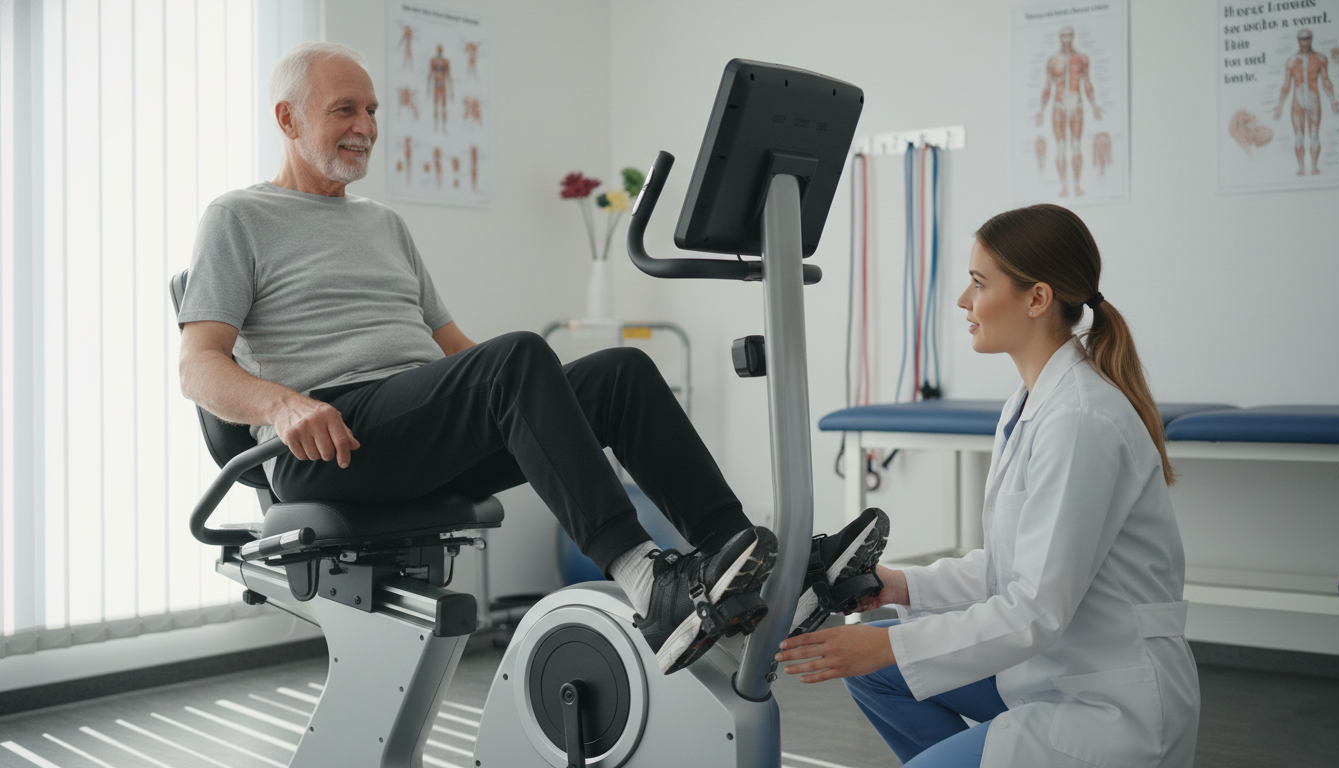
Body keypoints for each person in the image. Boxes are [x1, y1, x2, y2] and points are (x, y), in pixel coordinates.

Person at [176, 42, 888, 676]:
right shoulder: (240, 218)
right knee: (518, 358)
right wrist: (281, 404)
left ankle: (755, 571)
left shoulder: (382, 223)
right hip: (328, 441)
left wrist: (545, 391)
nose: (365, 126)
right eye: (343, 110)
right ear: (289, 119)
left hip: (412, 425)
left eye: (371, 109)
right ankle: (646, 578)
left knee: (618, 374)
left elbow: (457, 354)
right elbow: (197, 366)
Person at [776, 204, 1200, 767]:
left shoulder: (1080, 421)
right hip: (1057, 666)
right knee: (876, 675)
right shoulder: (1028, 404)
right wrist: (899, 584)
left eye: (978, 283)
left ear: (1037, 298)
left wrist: (888, 643)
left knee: (881, 654)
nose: (962, 301)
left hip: (1105, 699)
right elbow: (1010, 565)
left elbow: (1035, 610)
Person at [1034, 26, 1104, 197]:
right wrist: (1041, 111)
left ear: (1073, 37)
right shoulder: (1052, 61)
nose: (1066, 38)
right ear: (1059, 37)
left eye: (1069, 35)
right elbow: (1047, 87)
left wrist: (1094, 105)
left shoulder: (1081, 58)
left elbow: (1087, 83)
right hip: (1058, 103)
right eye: (1063, 35)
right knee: (1060, 146)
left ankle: (1077, 185)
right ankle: (1064, 186)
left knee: (1076, 146)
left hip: (1076, 101)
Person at [1272, 28, 1339, 177]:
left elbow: (1326, 81)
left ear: (1311, 39)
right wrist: (1279, 106)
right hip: (1297, 98)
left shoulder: (1321, 58)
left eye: (1308, 38)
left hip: (1313, 96)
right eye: (1303, 39)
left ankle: (1314, 167)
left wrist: (1333, 100)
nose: (1305, 41)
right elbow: (1286, 85)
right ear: (1298, 40)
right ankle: (1301, 168)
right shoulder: (1291, 60)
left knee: (1314, 134)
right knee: (1299, 135)